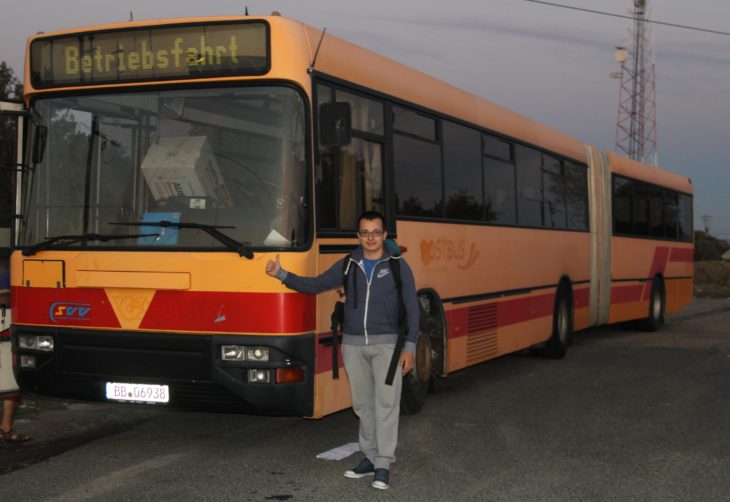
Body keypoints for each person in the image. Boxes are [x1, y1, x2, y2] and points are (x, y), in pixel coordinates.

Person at [266, 210, 419, 490]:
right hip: (353, 345)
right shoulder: (349, 264)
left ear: (384, 235)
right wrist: (282, 274)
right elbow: (316, 285)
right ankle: (369, 458)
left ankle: (384, 462)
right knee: (362, 404)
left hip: (388, 346)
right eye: (364, 232)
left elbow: (412, 306)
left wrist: (410, 345)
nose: (370, 238)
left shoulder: (397, 265)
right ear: (358, 235)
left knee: (386, 404)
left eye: (375, 232)